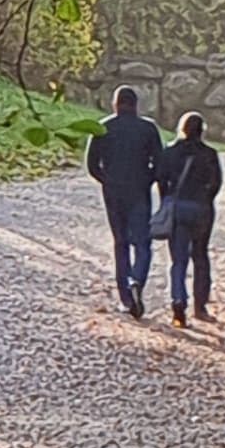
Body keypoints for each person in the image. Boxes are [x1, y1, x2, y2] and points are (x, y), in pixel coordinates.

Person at [84, 86, 164, 318]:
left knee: (120, 242)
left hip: (114, 191)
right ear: (136, 104)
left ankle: (126, 297)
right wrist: (148, 180)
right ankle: (137, 278)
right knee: (142, 242)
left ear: (115, 103)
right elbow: (159, 164)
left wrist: (106, 180)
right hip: (139, 190)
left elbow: (92, 164)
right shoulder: (148, 129)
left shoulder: (103, 128)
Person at [157, 111, 223, 327]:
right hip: (201, 210)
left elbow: (161, 180)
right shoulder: (209, 154)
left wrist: (167, 201)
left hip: (178, 209)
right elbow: (215, 184)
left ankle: (178, 301)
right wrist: (205, 200)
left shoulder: (170, 152)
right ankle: (200, 306)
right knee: (200, 256)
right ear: (202, 131)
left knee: (178, 259)